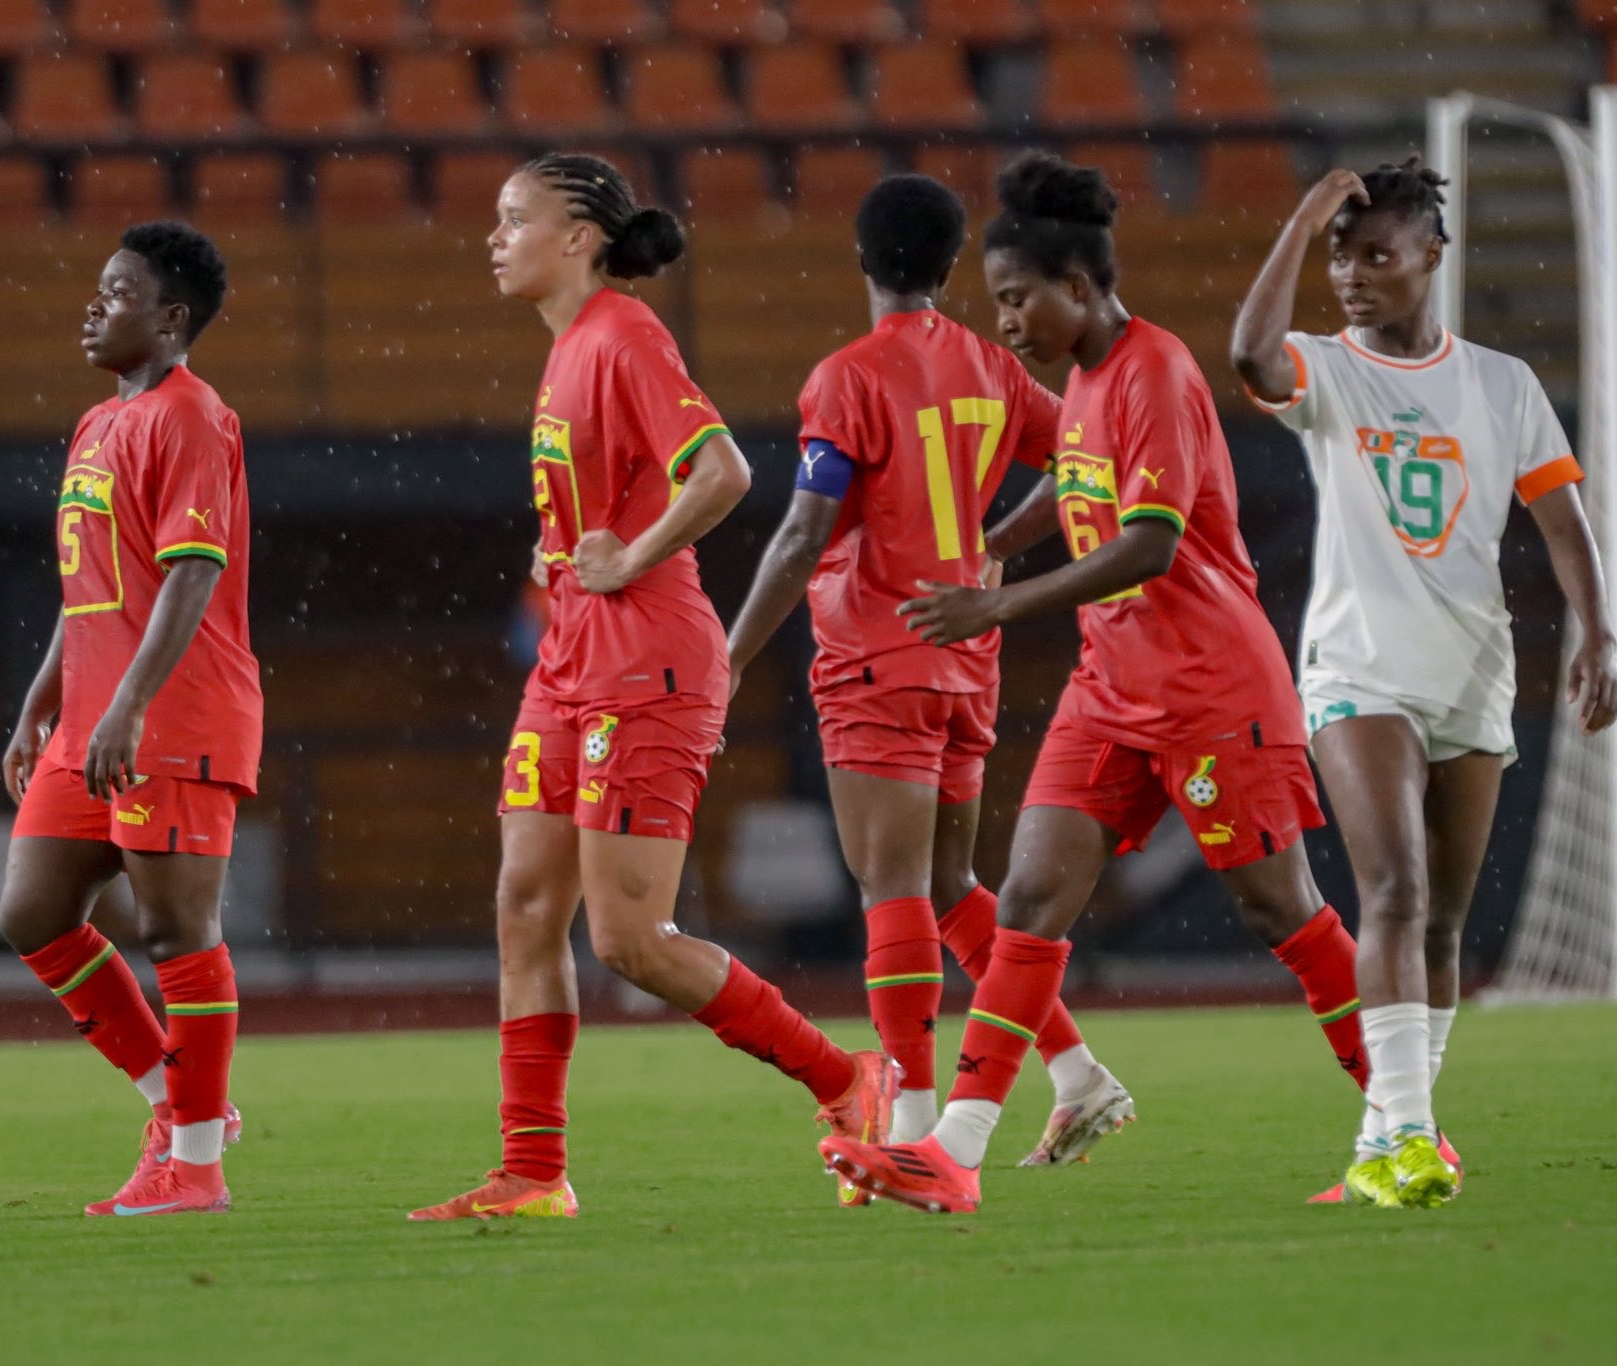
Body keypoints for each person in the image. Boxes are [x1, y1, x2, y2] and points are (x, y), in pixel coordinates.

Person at [819, 152, 1367, 1214]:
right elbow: (1071, 485)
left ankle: (1403, 1121)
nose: (1005, 321)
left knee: (1280, 909)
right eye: (996, 300)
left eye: (1017, 299)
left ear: (1077, 286)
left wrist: (997, 605)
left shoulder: (1154, 372)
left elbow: (1149, 543)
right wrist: (991, 543)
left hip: (1208, 685)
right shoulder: (1082, 380)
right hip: (1109, 684)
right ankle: (954, 1154)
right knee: (1027, 896)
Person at [409, 153, 897, 1222]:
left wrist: (629, 557)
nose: (494, 238)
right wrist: (564, 556)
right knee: (525, 909)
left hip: (646, 663)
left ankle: (844, 1076)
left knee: (630, 940)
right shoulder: (567, 349)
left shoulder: (624, 335)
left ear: (580, 236)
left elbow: (723, 471)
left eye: (514, 219)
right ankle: (533, 1172)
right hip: (570, 662)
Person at [725, 173, 1131, 1195]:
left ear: (860, 259)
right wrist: (996, 544)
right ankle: (1076, 1072)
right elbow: (1086, 454)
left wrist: (727, 660)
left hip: (879, 650)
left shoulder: (847, 378)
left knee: (892, 889)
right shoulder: (991, 366)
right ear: (953, 267)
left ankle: (908, 1118)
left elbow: (803, 534)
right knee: (950, 886)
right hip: (963, 656)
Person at [1231, 158, 1617, 1207]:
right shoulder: (1324, 368)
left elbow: (1560, 519)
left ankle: (1385, 1134)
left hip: (1471, 672)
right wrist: (1306, 209)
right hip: (1358, 668)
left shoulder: (1500, 383)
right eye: (1339, 258)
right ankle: (1409, 1129)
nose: (1350, 277)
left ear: (1431, 257)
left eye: (1375, 256)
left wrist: (1597, 633)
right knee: (1395, 890)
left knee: (1443, 920)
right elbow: (1249, 353)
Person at [0, 222, 260, 1217]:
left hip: (174, 711)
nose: (94, 306)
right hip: (93, 716)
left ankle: (194, 1167)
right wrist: (42, 703)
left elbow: (193, 573)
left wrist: (130, 705)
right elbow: (89, 589)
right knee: (32, 913)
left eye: (117, 293)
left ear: (170, 318)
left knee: (176, 928)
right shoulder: (96, 424)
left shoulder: (193, 417)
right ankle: (182, 1104)